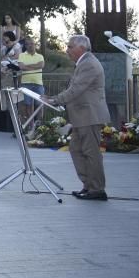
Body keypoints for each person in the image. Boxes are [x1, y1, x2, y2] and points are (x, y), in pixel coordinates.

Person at [49, 35, 110, 201]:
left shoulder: (89, 63)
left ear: (81, 48)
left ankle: (97, 189)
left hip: (89, 116)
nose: (67, 50)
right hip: (81, 117)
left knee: (91, 153)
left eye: (70, 47)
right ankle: (88, 185)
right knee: (76, 149)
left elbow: (76, 89)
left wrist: (55, 99)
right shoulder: (83, 62)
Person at [17, 37, 46, 122]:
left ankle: (40, 125)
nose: (30, 46)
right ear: (25, 46)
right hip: (26, 83)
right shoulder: (21, 55)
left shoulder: (40, 56)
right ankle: (31, 125)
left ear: (35, 45)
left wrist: (28, 66)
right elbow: (21, 67)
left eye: (32, 44)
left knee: (40, 104)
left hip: (38, 84)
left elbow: (41, 65)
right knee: (28, 105)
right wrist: (34, 66)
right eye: (28, 44)